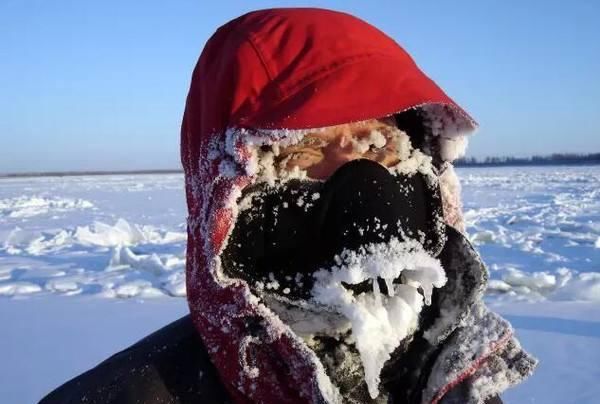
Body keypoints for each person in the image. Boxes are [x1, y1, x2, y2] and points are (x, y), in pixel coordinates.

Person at [40, 8, 537, 404]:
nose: (361, 182)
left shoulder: (454, 369)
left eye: (376, 144)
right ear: (229, 196)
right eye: (302, 153)